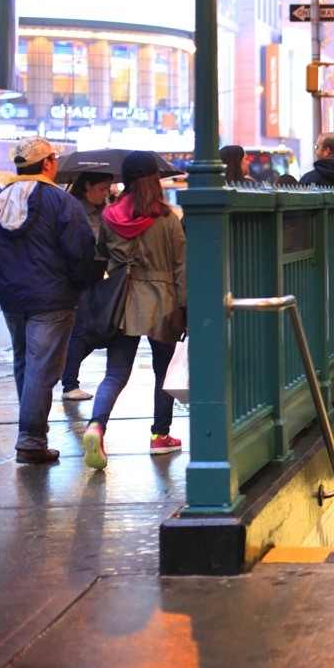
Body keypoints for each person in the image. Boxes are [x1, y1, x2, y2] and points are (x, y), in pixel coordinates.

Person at [0, 136, 95, 465]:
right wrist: (80, 287)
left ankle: (31, 434)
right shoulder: (62, 203)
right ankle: (32, 439)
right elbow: (81, 251)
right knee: (41, 368)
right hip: (53, 298)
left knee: (25, 364)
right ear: (48, 163)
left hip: (12, 298)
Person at [82, 151, 187, 470]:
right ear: (154, 180)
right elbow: (181, 266)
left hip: (121, 299)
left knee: (115, 372)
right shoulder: (168, 218)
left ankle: (96, 425)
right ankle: (160, 436)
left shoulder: (110, 214)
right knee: (163, 372)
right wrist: (185, 307)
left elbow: (100, 251)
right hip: (162, 301)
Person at [60, 172, 114, 401]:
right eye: (101, 189)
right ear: (87, 186)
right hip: (80, 275)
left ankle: (63, 369)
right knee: (81, 330)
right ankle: (69, 384)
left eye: (108, 190)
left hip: (97, 275)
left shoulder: (105, 209)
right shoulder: (75, 209)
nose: (105, 194)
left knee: (100, 329)